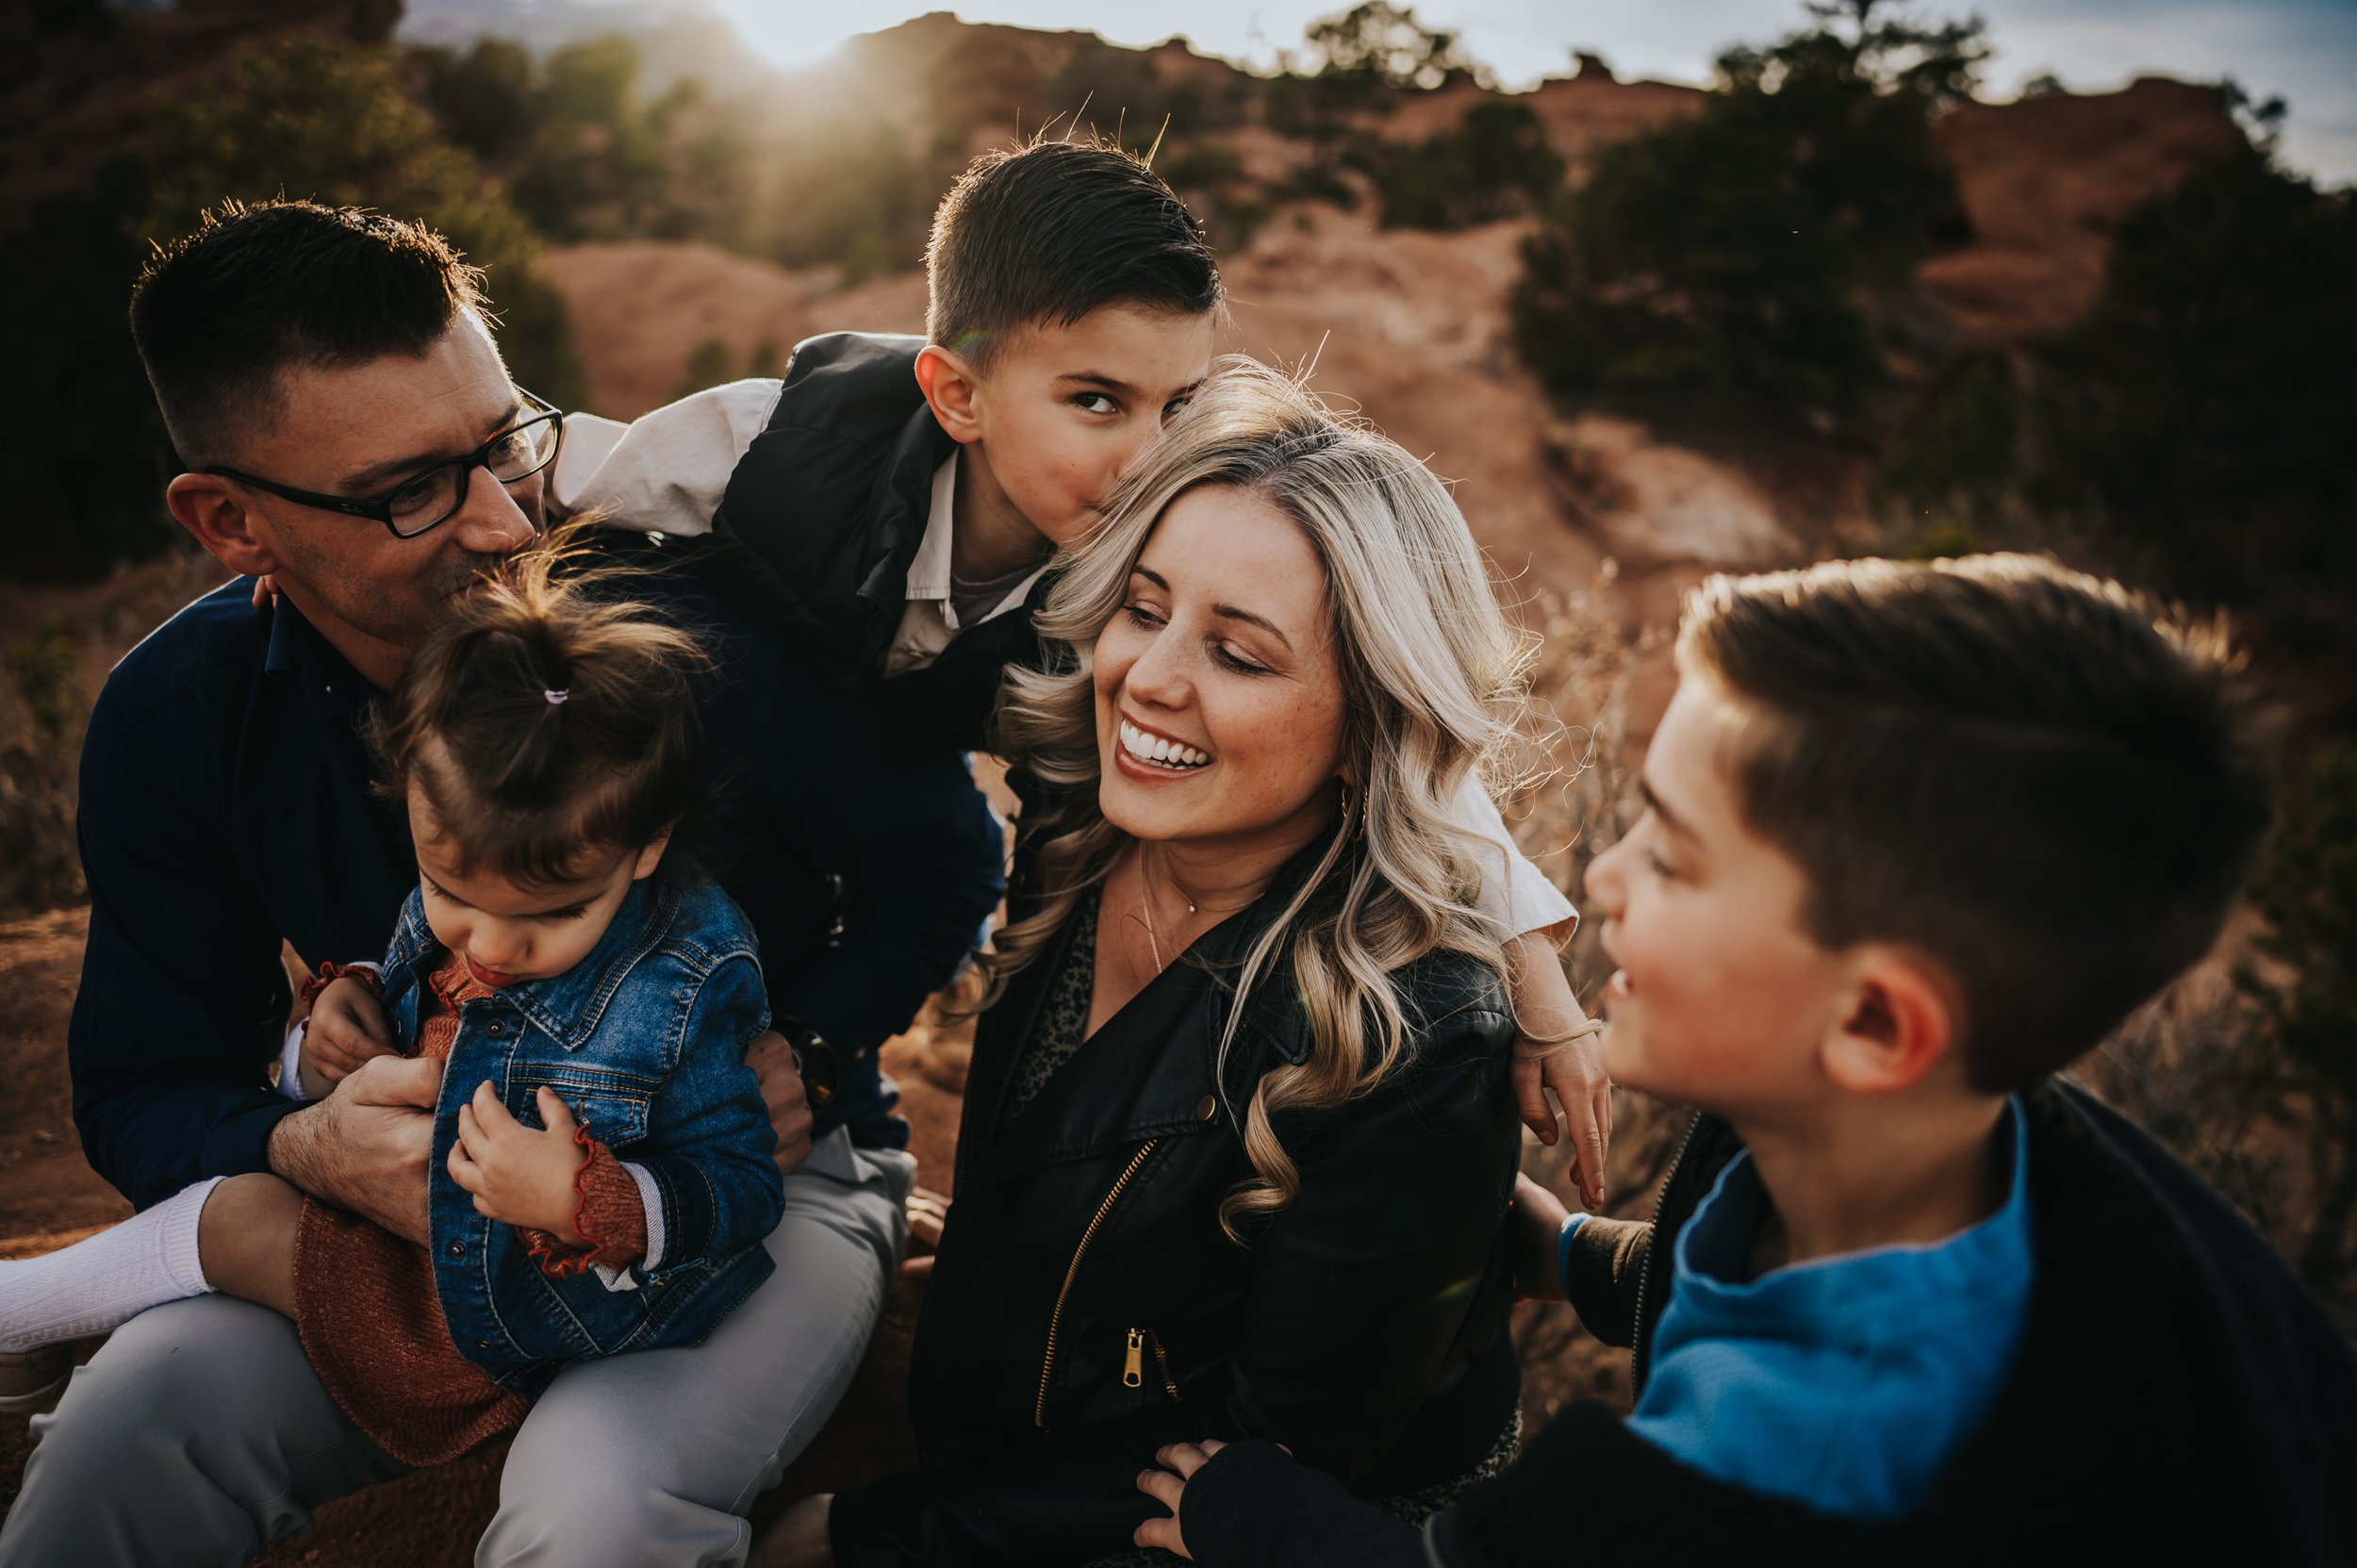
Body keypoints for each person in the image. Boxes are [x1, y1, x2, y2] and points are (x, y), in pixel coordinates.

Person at [3, 201, 1004, 1567]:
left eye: (504, 441)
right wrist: (305, 1132)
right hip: (402, 1224)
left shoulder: (693, 630)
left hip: (747, 1178)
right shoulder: (176, 716)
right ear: (230, 519)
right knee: (132, 1420)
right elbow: (141, 1083)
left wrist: (808, 1049)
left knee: (594, 1502)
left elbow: (944, 859)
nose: (503, 517)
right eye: (410, 488)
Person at [1129, 554, 2357, 1564]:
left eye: (1670, 854)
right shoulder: (1927, 1136)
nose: (1600, 877)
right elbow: (1747, 1252)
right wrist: (1569, 1257)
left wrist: (1247, 1509)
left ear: (1876, 1024)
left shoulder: (1768, 1473)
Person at [559, 135, 1613, 1204]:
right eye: (1097, 402)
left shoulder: (1143, 562)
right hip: (709, 767)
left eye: (1178, 405)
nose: (1151, 456)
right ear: (958, 395)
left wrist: (1543, 997)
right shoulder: (769, 443)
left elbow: (1410, 738)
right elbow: (546, 507)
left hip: (895, 820)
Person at [755, 363, 1540, 1567]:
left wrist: (867, 1533)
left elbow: (1243, 1482)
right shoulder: (1081, 821)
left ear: (1368, 723)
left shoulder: (1417, 1044)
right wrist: (995, 1262)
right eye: (1145, 605)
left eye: (1238, 652)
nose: (1147, 678)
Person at [3, 542, 784, 1463]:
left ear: (647, 847)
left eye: (554, 915)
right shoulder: (449, 906)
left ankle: (23, 1309)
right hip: (432, 1238)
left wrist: (590, 1198)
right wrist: (335, 1033)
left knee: (242, 1217)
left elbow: (738, 1184)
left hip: (545, 1307)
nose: (487, 946)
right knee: (249, 1193)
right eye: (452, 895)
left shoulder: (691, 979)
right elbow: (414, 1014)